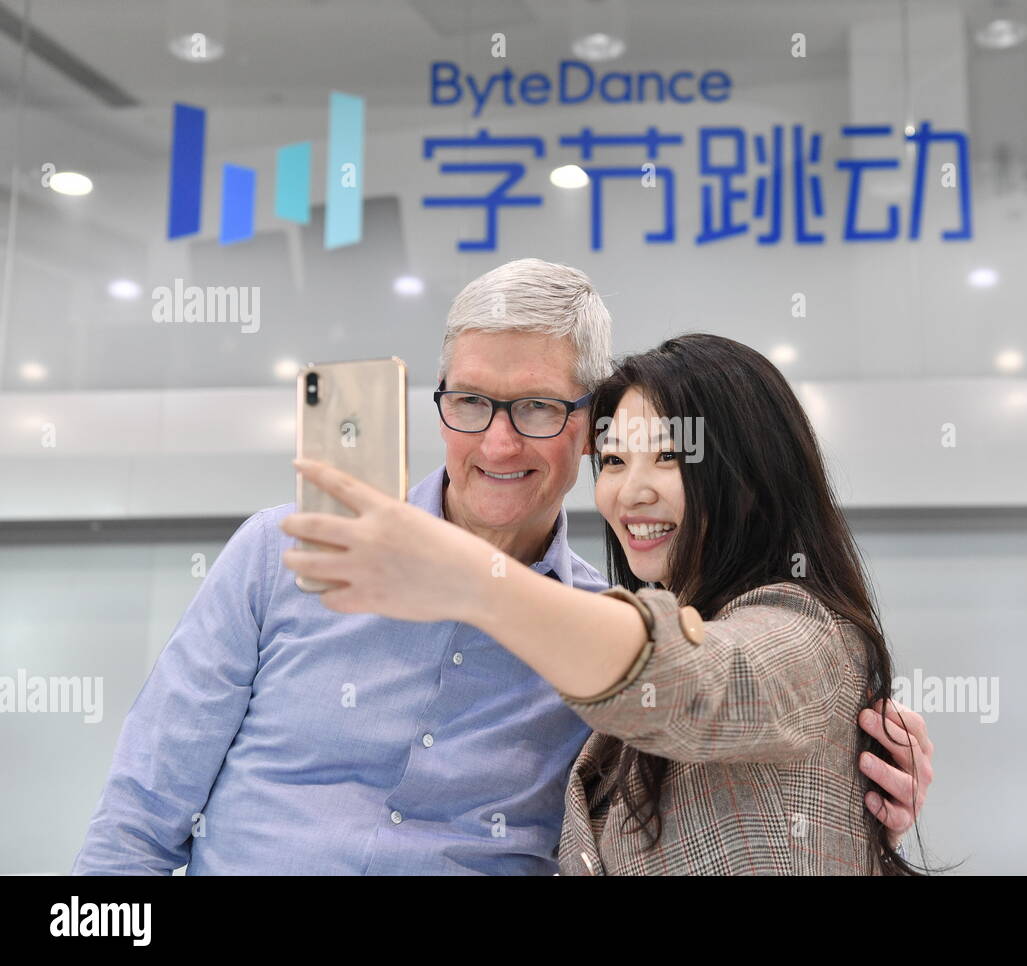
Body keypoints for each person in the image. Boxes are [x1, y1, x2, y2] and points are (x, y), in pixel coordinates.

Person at [75, 260, 933, 874]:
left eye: (535, 407)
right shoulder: (280, 552)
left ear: (581, 422)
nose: (495, 440)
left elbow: (719, 687)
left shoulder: (598, 635)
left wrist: (848, 759)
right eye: (472, 400)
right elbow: (139, 818)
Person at [283, 333, 935, 874]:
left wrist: (471, 578)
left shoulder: (809, 635)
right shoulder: (613, 619)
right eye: (616, 460)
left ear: (753, 478)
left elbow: (696, 679)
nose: (631, 492)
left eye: (670, 458)